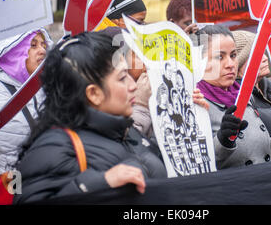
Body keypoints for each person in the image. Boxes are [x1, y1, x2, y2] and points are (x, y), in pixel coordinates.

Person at [13, 31, 167, 204]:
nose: (133, 86)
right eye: (123, 78)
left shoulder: (126, 131)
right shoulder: (54, 147)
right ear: (93, 93)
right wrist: (99, 183)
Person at [195, 24, 271, 169]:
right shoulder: (194, 103)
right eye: (220, 57)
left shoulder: (243, 96)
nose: (230, 64)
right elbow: (197, 164)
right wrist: (223, 140)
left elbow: (261, 153)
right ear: (198, 62)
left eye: (233, 55)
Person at [0, 29, 53, 204]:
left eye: (44, 44)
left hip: (34, 188)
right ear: (12, 52)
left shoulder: (48, 90)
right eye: (33, 45)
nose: (42, 50)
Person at [232, 30, 271, 138]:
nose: (265, 58)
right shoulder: (238, 99)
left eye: (263, 52)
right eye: (257, 54)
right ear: (239, 63)